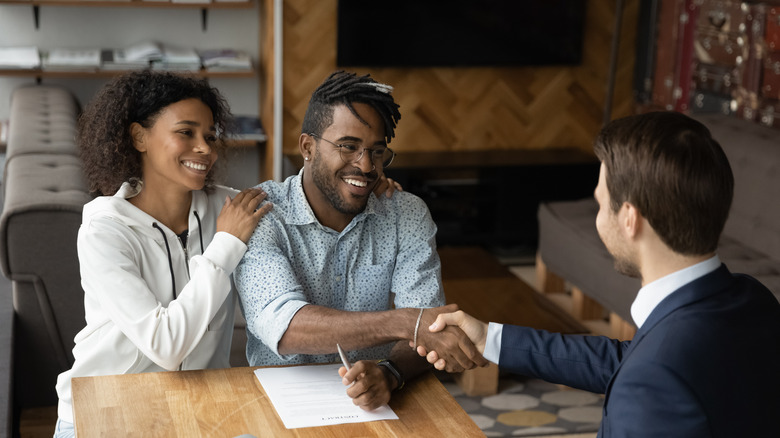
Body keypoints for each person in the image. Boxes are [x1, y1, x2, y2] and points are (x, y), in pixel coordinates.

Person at [417, 111, 780, 437]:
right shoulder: (753, 299)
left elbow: (647, 372)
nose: (597, 216)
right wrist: (489, 340)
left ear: (629, 219)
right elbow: (631, 361)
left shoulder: (653, 380)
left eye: (600, 202)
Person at [234, 71, 486, 411]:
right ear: (307, 147)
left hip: (381, 405)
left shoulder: (405, 214)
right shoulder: (262, 215)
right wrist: (406, 322)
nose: (366, 165)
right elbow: (286, 327)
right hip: (282, 406)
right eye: (348, 147)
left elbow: (430, 330)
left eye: (377, 151)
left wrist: (391, 373)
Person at [53, 70, 274, 438]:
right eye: (185, 132)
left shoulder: (227, 207)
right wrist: (226, 245)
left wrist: (368, 188)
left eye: (210, 136)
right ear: (139, 137)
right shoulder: (104, 229)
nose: (204, 148)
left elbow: (298, 206)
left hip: (197, 409)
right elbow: (165, 345)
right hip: (106, 411)